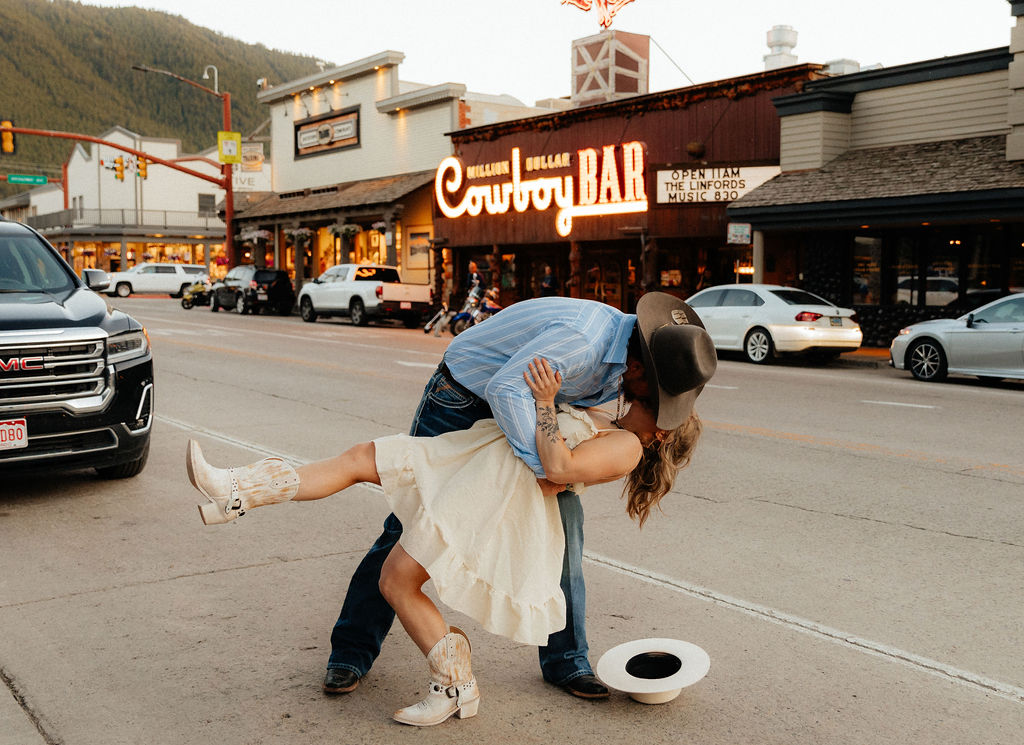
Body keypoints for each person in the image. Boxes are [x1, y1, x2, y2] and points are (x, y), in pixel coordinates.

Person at [187, 349, 711, 726]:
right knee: (358, 459)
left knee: (397, 580)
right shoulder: (607, 413)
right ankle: (236, 490)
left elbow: (555, 468)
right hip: (467, 458)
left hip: (482, 492)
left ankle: (455, 687)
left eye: (657, 405)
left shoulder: (626, 447)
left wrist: (548, 401)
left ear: (661, 431)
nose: (641, 397)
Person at [324, 292, 716, 701]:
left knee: (564, 533)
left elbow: (565, 413)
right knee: (411, 522)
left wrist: (559, 464)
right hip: (465, 397)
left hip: (534, 408)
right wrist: (544, 469)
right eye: (653, 396)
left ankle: (567, 661)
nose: (646, 403)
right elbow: (507, 388)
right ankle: (351, 650)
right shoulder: (582, 342)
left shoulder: (634, 361)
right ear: (638, 366)